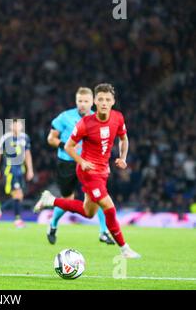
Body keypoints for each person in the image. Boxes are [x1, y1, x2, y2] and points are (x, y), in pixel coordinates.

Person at [34, 83, 141, 258]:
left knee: (88, 212)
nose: (104, 103)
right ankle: (124, 248)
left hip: (103, 171)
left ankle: (51, 200)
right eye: (101, 99)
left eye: (107, 99)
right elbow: (69, 146)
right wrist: (81, 161)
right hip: (88, 171)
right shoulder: (85, 123)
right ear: (95, 102)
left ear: (113, 101)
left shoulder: (118, 118)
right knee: (108, 205)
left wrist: (123, 157)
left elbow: (123, 138)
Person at [42, 87, 114, 245]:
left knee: (100, 196)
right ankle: (53, 225)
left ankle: (103, 232)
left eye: (86, 101)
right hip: (67, 162)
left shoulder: (99, 118)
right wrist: (66, 145)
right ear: (76, 101)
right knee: (68, 199)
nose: (82, 104)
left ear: (92, 102)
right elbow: (50, 138)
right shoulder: (65, 117)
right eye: (80, 101)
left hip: (89, 164)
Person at [0, 119, 34, 228]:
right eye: (14, 125)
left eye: (18, 124)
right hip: (11, 169)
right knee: (17, 194)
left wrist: (30, 169)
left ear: (21, 126)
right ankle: (17, 220)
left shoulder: (25, 137)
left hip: (21, 169)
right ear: (11, 126)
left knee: (19, 196)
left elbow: (27, 154)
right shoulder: (6, 138)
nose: (16, 127)